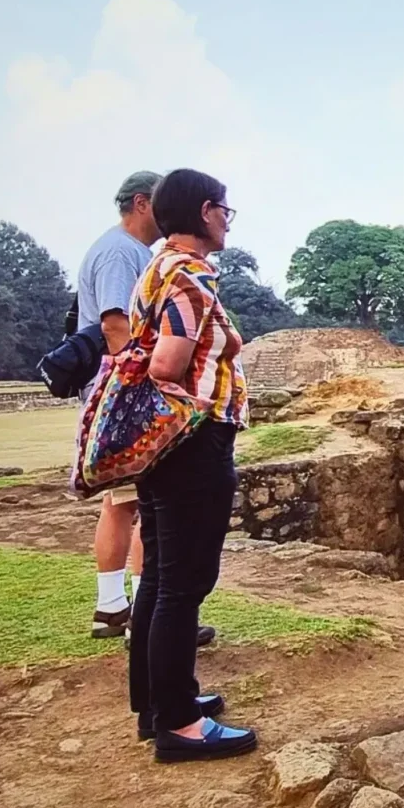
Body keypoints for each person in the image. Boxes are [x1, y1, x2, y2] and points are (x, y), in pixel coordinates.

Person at [127, 167, 255, 762]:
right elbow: (165, 366)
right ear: (206, 212)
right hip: (190, 444)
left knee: (159, 576)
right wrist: (198, 420)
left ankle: (158, 704)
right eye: (226, 211)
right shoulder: (189, 278)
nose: (229, 221)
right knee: (184, 583)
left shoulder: (156, 268)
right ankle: (178, 723)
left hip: (159, 448)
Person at [75, 171, 215, 649]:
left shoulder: (135, 254)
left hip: (131, 394)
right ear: (142, 203)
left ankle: (119, 604)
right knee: (141, 510)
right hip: (139, 398)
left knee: (130, 505)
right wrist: (155, 408)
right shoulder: (121, 253)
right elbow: (117, 329)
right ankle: (141, 610)